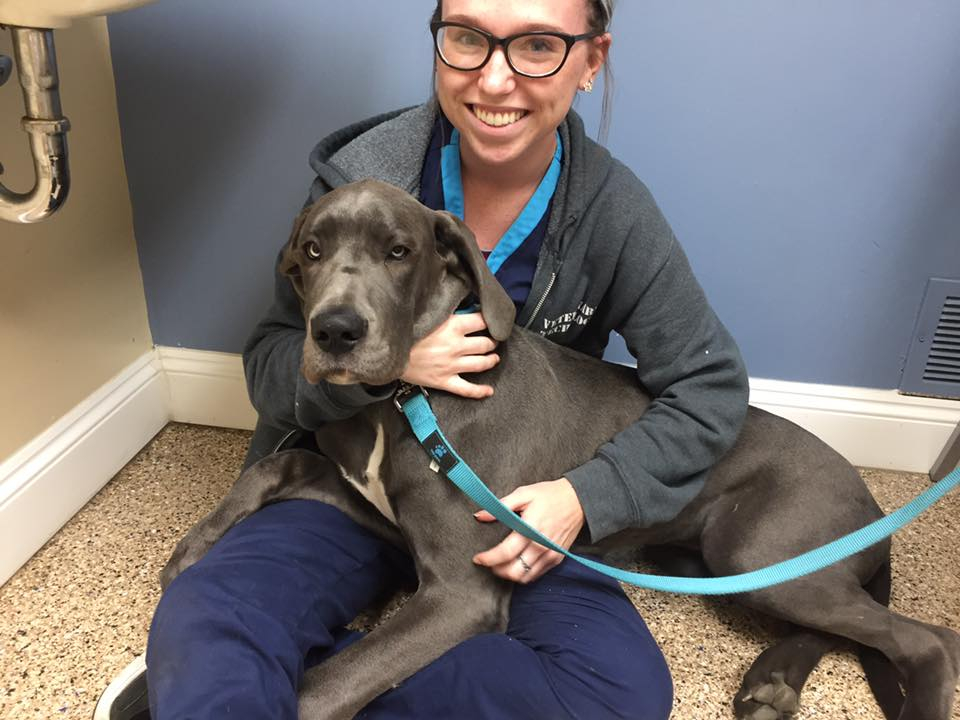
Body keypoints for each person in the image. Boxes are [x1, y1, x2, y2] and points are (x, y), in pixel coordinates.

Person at [103, 0, 750, 718]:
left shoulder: (612, 210)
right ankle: (233, 670)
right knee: (212, 608)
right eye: (468, 39)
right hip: (348, 484)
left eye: (537, 45)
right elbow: (271, 362)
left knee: (618, 693)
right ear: (440, 44)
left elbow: (709, 386)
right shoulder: (358, 182)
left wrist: (585, 498)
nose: (496, 80)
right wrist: (398, 361)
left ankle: (251, 682)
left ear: (591, 61)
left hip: (507, 512)